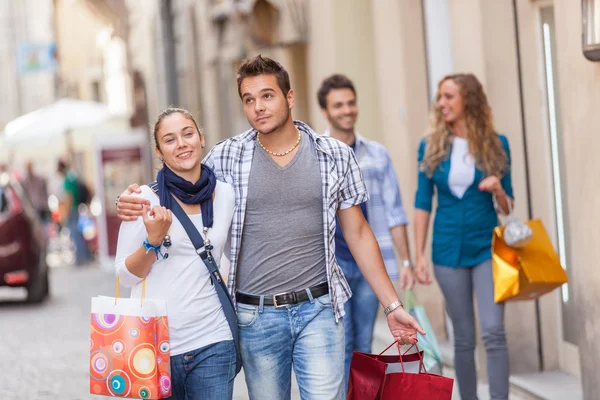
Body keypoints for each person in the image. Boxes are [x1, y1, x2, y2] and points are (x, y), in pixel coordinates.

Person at [117, 55, 424, 400]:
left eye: (267, 96)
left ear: (289, 98)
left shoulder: (334, 155)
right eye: (249, 100)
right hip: (255, 317)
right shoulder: (227, 156)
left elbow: (358, 233)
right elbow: (180, 174)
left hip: (320, 309)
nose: (258, 107)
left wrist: (392, 306)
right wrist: (135, 197)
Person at [115, 107, 238, 399]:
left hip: (214, 339)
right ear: (159, 151)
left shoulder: (226, 194)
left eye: (187, 134)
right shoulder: (143, 199)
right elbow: (124, 275)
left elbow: (230, 255)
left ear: (201, 138)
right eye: (169, 140)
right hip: (154, 344)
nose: (181, 144)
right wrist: (152, 241)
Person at [413, 73, 513, 400]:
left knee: (494, 332)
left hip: (486, 248)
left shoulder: (498, 144)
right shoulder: (430, 147)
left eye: (449, 96)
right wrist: (418, 255)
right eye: (439, 97)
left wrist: (498, 188)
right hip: (446, 252)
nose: (441, 103)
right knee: (464, 338)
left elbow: (508, 206)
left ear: (468, 99)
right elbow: (423, 202)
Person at [317, 74, 415, 387]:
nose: (346, 110)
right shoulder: (317, 154)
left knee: (365, 346)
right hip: (334, 265)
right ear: (326, 112)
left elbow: (395, 211)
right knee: (341, 345)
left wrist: (406, 261)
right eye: (338, 105)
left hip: (371, 263)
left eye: (350, 103)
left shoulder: (377, 154)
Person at [57, 159, 91, 266]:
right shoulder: (72, 176)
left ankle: (81, 258)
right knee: (78, 233)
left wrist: (65, 211)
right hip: (76, 207)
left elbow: (69, 196)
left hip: (72, 209)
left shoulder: (67, 179)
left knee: (75, 234)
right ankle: (85, 255)